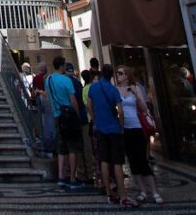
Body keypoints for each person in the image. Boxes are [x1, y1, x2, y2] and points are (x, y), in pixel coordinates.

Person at [87, 63, 138, 208]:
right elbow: (120, 112)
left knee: (104, 160)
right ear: (112, 75)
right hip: (114, 129)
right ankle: (123, 195)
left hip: (101, 128)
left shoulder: (94, 87)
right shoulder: (113, 90)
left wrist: (95, 119)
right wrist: (121, 127)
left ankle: (109, 193)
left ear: (101, 73)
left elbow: (89, 105)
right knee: (117, 163)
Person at [116, 66, 163, 205]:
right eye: (117, 73)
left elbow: (144, 108)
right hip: (125, 129)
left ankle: (154, 192)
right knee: (132, 161)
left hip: (138, 128)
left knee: (142, 160)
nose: (118, 75)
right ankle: (142, 190)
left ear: (127, 75)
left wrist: (136, 95)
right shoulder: (116, 90)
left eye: (120, 73)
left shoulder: (135, 88)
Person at [45, 55, 82, 187]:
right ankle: (72, 177)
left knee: (61, 147)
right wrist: (78, 115)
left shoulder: (48, 80)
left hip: (57, 116)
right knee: (72, 147)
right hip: (69, 116)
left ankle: (61, 175)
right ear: (62, 66)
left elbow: (48, 99)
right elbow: (73, 100)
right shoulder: (66, 80)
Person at [66, 62, 92, 185]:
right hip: (83, 117)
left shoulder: (67, 83)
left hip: (74, 117)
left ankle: (81, 173)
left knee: (77, 146)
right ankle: (90, 173)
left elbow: (74, 101)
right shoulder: (77, 83)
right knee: (86, 145)